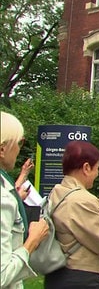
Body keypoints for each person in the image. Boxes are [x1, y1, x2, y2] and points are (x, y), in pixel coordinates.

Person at [44, 141, 99, 288]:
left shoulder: (57, 191)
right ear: (86, 167)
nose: (97, 173)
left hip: (57, 275)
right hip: (79, 277)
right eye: (97, 168)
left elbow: (74, 219)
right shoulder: (83, 200)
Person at [0, 111, 49, 289]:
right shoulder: (3, 198)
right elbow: (2, 276)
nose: (20, 148)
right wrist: (33, 241)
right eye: (19, 142)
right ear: (2, 148)